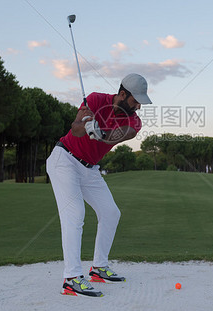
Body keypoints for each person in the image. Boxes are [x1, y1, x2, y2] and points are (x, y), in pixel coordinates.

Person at [46, 73, 152, 297]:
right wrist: (85, 124)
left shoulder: (134, 121)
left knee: (111, 213)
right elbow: (74, 130)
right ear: (122, 94)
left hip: (89, 169)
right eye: (135, 101)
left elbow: (120, 135)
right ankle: (72, 278)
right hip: (64, 160)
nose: (139, 107)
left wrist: (100, 132)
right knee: (74, 215)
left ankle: (99, 268)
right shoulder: (94, 100)